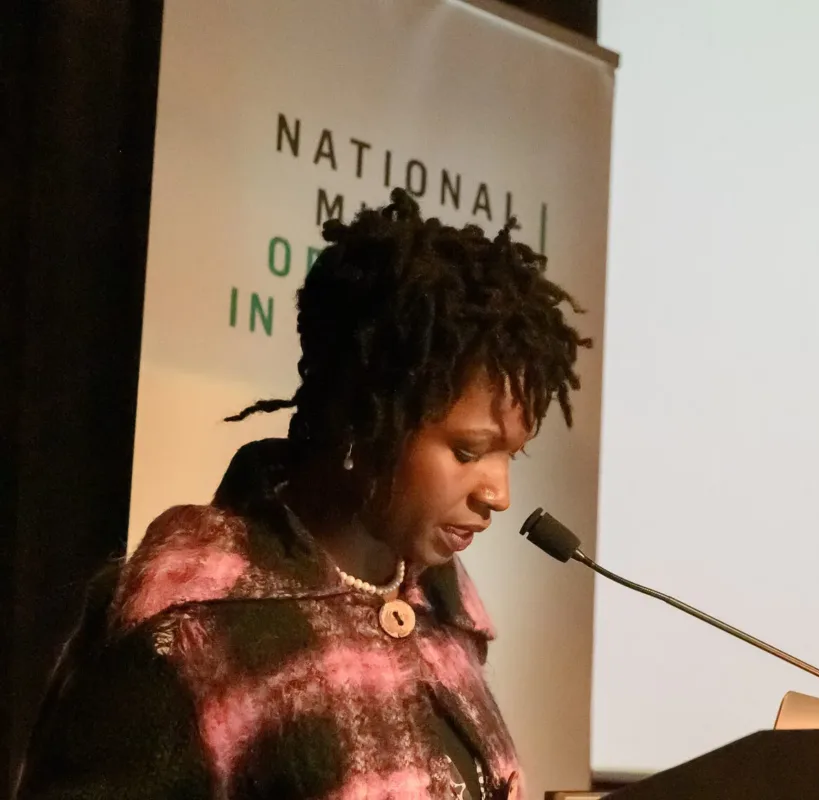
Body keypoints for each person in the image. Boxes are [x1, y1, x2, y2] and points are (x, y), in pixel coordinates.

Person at [16, 189, 593, 799]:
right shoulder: (191, 627)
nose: (498, 494)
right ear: (365, 421)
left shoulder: (440, 609)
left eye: (512, 453)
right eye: (468, 451)